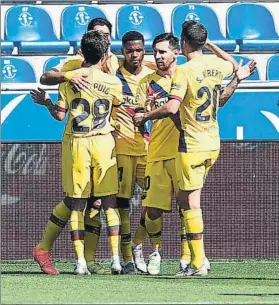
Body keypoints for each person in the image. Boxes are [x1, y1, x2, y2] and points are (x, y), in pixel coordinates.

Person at [133, 20, 256, 276]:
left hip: (191, 145)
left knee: (189, 205)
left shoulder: (184, 71)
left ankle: (197, 262)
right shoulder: (214, 65)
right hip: (213, 142)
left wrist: (145, 117)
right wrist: (209, 43)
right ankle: (193, 259)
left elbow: (172, 109)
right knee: (186, 202)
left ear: (182, 44)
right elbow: (234, 68)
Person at [31, 31, 123, 275]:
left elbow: (59, 106)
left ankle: (83, 260)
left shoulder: (71, 76)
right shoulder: (106, 77)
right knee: (98, 200)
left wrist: (61, 88)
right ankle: (112, 259)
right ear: (104, 53)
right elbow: (117, 103)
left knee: (83, 201)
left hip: (79, 141)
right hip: (101, 140)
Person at [112, 31, 154, 274]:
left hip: (148, 148)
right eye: (130, 50)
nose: (134, 54)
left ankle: (137, 244)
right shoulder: (113, 73)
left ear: (143, 50)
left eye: (138, 50)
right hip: (122, 148)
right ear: (123, 51)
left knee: (154, 202)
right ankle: (127, 258)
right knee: (122, 204)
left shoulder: (152, 75)